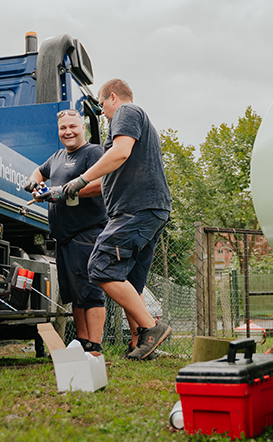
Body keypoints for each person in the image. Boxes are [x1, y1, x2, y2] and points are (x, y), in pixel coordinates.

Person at [62, 78, 172, 360]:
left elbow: (120, 152)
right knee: (131, 282)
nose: (102, 112)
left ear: (113, 97)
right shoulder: (136, 124)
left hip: (134, 210)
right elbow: (107, 177)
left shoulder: (126, 112)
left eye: (101, 104)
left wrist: (82, 176)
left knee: (100, 268)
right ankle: (140, 346)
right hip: (149, 209)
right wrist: (67, 190)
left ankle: (151, 329)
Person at [24, 108, 108, 354]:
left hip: (87, 233)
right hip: (64, 236)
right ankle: (83, 344)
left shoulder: (93, 152)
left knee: (90, 292)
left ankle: (94, 347)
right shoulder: (58, 156)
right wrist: (34, 182)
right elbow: (40, 171)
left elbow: (104, 184)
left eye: (73, 126)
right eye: (63, 128)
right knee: (76, 295)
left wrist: (68, 191)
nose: (68, 131)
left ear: (83, 128)